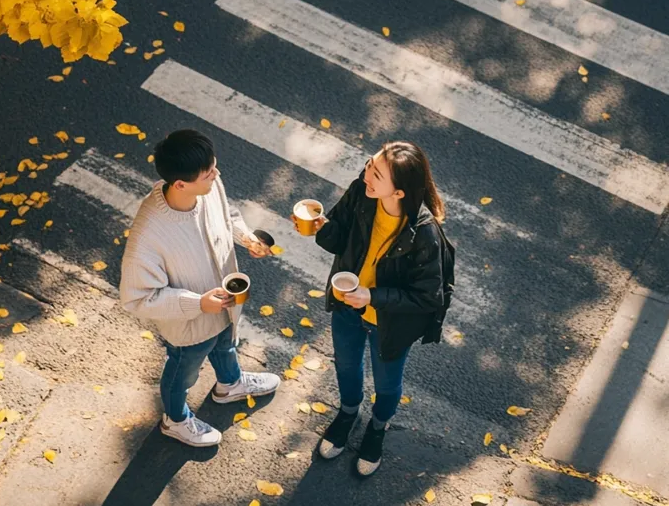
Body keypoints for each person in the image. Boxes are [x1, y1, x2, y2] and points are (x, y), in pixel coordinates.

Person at [119, 129, 281, 447]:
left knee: (225, 343)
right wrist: (197, 304)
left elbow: (227, 214)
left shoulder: (207, 186)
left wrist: (245, 236)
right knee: (182, 372)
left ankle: (230, 384)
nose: (216, 174)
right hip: (189, 324)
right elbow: (137, 298)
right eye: (209, 173)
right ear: (181, 184)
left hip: (222, 305)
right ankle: (175, 419)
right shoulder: (148, 234)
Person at [302, 141, 449, 476]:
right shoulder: (361, 193)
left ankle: (377, 427)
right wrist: (322, 228)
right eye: (370, 165)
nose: (367, 174)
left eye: (376, 173)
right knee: (347, 368)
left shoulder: (424, 233)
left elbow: (429, 297)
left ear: (398, 192)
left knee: (386, 384)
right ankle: (348, 412)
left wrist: (373, 297)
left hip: (389, 324)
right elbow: (340, 239)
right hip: (346, 308)